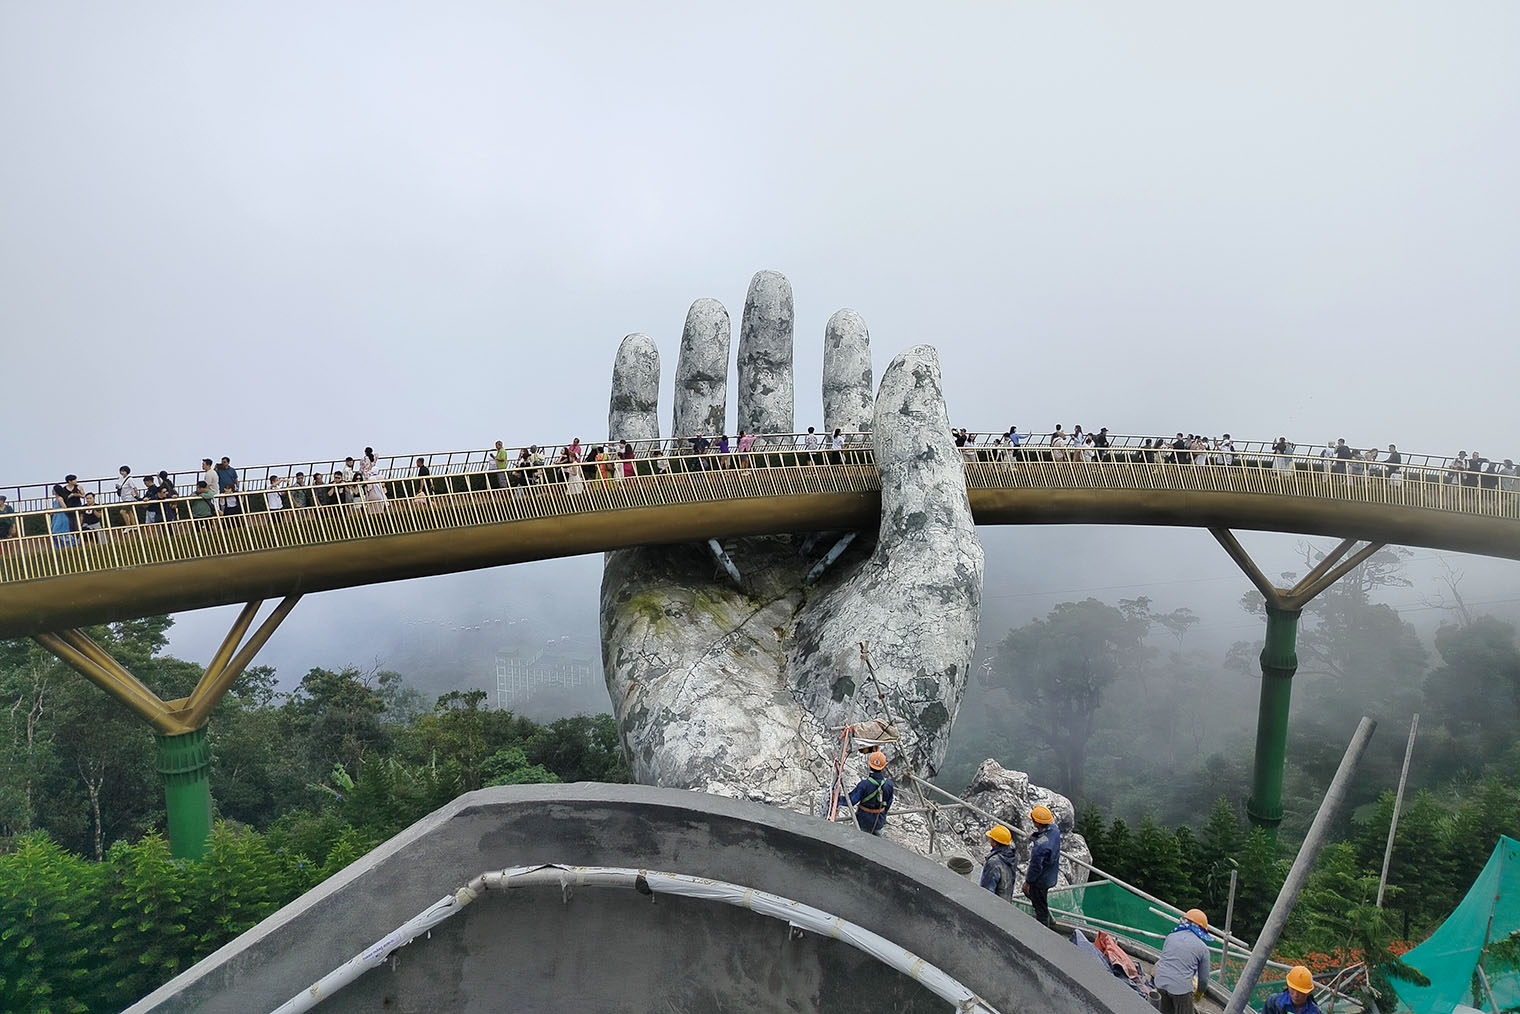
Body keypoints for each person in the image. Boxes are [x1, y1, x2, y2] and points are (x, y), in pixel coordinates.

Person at [1154, 909, 1213, 1013]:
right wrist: (1199, 993)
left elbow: (1164, 960)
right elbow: (1203, 980)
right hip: (1181, 988)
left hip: (1160, 982)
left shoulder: (1171, 936)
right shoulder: (1203, 948)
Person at [1022, 804, 1061, 928]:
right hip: (1050, 875)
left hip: (1040, 881)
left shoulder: (1040, 847)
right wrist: (1033, 837)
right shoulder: (1054, 831)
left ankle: (1044, 930)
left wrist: (1028, 882)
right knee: (1041, 902)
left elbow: (1035, 867)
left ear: (1037, 823)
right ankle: (1048, 919)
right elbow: (1044, 838)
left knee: (1040, 908)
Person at [847, 751, 894, 835]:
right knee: (877, 840)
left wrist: (837, 799)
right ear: (883, 766)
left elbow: (851, 800)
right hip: (879, 820)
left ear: (869, 765)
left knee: (860, 839)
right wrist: (882, 813)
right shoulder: (889, 784)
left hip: (864, 820)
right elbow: (889, 803)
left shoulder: (864, 785)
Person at [979, 824, 1019, 899]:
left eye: (991, 839)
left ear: (995, 843)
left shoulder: (993, 863)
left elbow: (987, 891)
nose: (989, 840)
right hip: (1006, 900)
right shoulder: (1012, 856)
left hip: (994, 903)